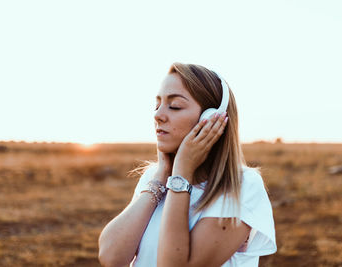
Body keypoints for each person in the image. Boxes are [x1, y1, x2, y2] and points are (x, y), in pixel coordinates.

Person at [98, 63, 276, 267]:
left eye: (174, 106)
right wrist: (162, 175)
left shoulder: (242, 186)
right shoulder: (153, 179)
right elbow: (111, 257)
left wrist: (181, 175)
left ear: (210, 118)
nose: (158, 115)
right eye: (157, 105)